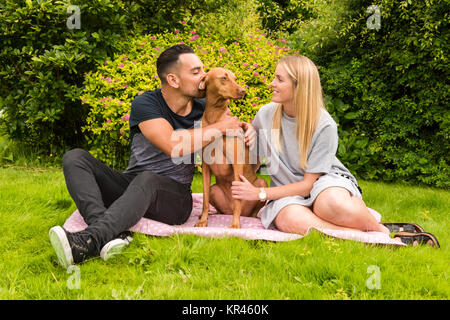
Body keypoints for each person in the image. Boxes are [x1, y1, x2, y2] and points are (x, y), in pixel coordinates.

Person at [49, 44, 256, 268]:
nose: (203, 76)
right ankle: (106, 232)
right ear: (173, 80)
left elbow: (231, 126)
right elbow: (171, 145)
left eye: (203, 70)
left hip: (174, 198)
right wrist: (219, 128)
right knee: (75, 157)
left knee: (148, 179)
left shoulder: (204, 106)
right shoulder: (146, 104)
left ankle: (88, 241)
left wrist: (247, 128)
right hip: (132, 185)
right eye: (195, 72)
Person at [230, 55, 440, 248]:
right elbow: (252, 163)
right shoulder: (265, 114)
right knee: (288, 219)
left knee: (329, 203)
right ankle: (364, 236)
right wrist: (243, 137)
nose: (271, 84)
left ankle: (379, 230)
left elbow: (307, 186)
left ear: (299, 86)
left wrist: (260, 193)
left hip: (323, 182)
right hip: (286, 192)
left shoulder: (323, 123)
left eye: (279, 79)